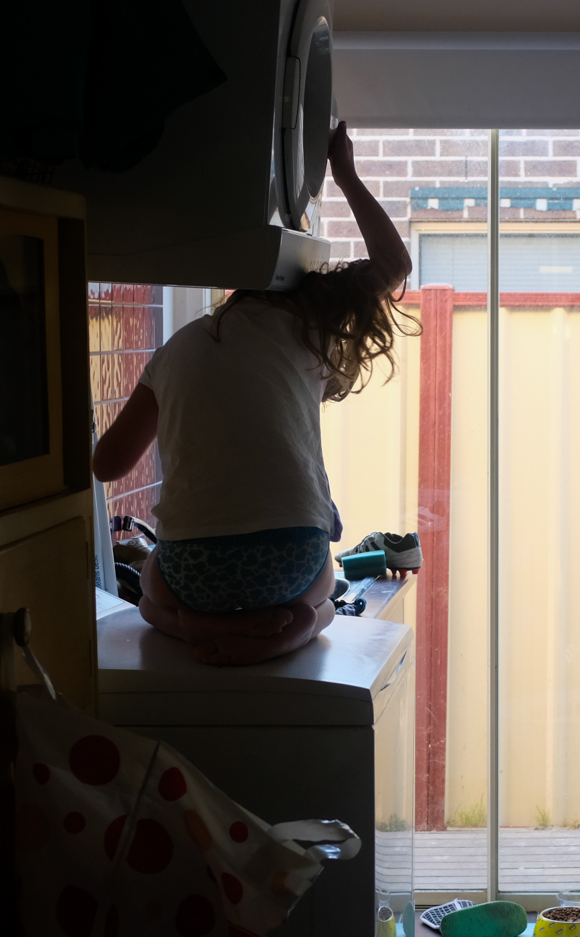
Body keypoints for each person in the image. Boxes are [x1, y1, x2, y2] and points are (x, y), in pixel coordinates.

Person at [91, 121, 414, 665]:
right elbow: (394, 265)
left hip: (194, 576)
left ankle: (189, 624)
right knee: (327, 591)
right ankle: (293, 631)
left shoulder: (176, 347)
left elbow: (106, 466)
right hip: (290, 568)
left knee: (148, 595)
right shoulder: (309, 326)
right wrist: (345, 173)